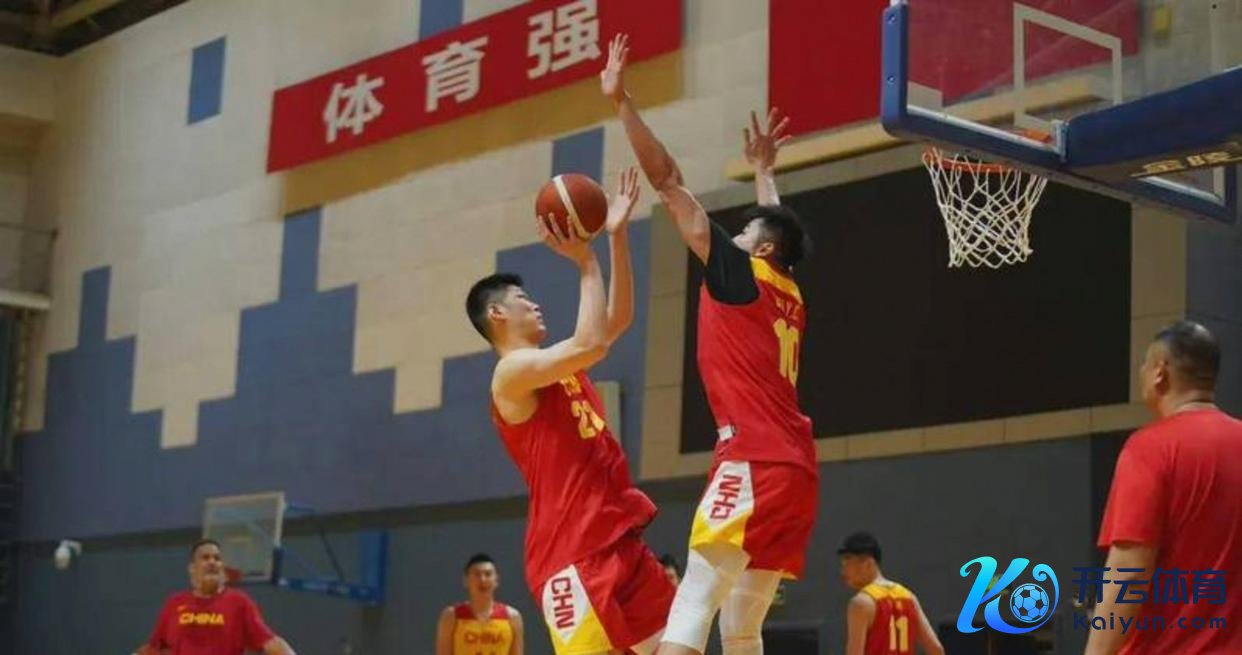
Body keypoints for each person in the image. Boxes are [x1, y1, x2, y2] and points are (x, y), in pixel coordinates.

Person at [601, 34, 816, 655]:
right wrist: (765, 174)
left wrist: (622, 103)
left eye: (745, 231)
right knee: (742, 627)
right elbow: (780, 235)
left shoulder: (739, 273)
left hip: (751, 458)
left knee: (693, 600)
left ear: (760, 249)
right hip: (796, 470)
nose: (735, 235)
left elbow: (667, 180)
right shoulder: (789, 290)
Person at [466, 168, 674, 655]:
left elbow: (616, 320)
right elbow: (592, 342)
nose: (535, 305)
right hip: (571, 555)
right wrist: (584, 262)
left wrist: (617, 236)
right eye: (523, 299)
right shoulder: (510, 375)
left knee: (681, 645)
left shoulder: (560, 365)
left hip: (617, 538)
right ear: (497, 314)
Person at [1086, 321, 1242, 655]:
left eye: (1144, 364)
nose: (1141, 372)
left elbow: (1128, 573)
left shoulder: (1149, 448)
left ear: (1160, 372)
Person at [136, 539, 296, 655]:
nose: (212, 562)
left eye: (217, 558)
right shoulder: (175, 603)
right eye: (205, 558)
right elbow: (153, 648)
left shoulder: (239, 602)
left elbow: (270, 642)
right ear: (192, 568)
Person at [837, 532, 943, 655]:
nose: (843, 571)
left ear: (867, 562)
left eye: (847, 561)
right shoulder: (908, 597)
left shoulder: (861, 603)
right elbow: (936, 649)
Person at [436, 553, 524, 655]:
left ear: (497, 580)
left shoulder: (511, 617)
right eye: (477, 574)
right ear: (466, 581)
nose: (483, 580)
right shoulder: (451, 616)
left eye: (488, 574)